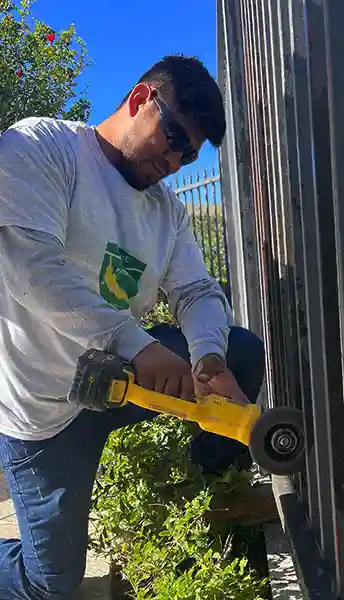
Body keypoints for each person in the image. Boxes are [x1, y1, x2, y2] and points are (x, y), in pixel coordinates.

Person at [0, 55, 268, 599]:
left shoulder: (168, 213)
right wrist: (136, 345)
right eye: (172, 137)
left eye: (189, 153)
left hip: (119, 381)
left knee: (239, 350)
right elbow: (27, 266)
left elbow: (196, 291)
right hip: (43, 410)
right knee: (50, 582)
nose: (175, 160)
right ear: (141, 99)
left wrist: (207, 358)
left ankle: (209, 492)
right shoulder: (43, 148)